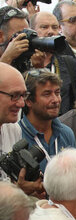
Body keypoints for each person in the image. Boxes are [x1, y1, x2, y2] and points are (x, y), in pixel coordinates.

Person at [0, 63, 45, 198]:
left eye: (23, 95)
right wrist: (17, 192)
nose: (21, 104)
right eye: (14, 96)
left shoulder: (13, 129)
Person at [19, 70, 76, 172]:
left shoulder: (66, 133)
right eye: (47, 94)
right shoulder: (17, 134)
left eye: (57, 93)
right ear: (28, 101)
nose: (55, 100)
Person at [30, 11, 76, 115]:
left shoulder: (69, 62)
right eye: (44, 27)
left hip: (63, 126)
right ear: (32, 31)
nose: (51, 32)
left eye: (54, 27)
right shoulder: (23, 63)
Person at [0, 6, 44, 71]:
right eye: (20, 34)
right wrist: (7, 58)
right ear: (0, 37)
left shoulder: (24, 61)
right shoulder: (8, 58)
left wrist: (38, 69)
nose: (26, 39)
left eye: (27, 33)